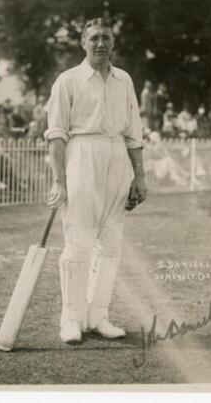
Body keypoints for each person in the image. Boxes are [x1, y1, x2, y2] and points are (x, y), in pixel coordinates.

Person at [45, 17, 147, 343]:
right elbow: (57, 136)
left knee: (111, 245)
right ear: (83, 43)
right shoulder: (68, 80)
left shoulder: (124, 80)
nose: (100, 43)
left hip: (117, 159)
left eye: (106, 37)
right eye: (94, 38)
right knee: (78, 244)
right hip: (82, 157)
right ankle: (71, 319)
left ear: (113, 43)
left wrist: (139, 178)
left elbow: (134, 133)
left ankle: (98, 314)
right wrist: (59, 182)